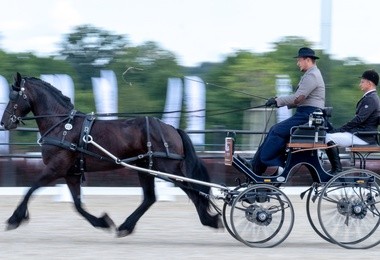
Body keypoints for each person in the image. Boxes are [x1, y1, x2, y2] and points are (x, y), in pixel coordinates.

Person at [251, 47, 325, 174]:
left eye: (299, 60)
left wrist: (277, 101)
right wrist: (277, 101)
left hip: (307, 115)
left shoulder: (312, 75)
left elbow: (297, 98)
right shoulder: (311, 74)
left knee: (276, 130)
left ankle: (267, 164)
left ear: (307, 60)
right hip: (306, 114)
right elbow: (300, 100)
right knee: (274, 129)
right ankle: (256, 163)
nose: (298, 63)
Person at [325, 69, 380, 174]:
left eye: (362, 81)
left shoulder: (371, 99)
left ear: (370, 83)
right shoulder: (370, 98)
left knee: (328, 137)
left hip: (363, 137)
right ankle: (336, 169)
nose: (360, 84)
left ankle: (337, 169)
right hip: (361, 134)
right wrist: (340, 130)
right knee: (332, 136)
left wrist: (340, 129)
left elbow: (359, 119)